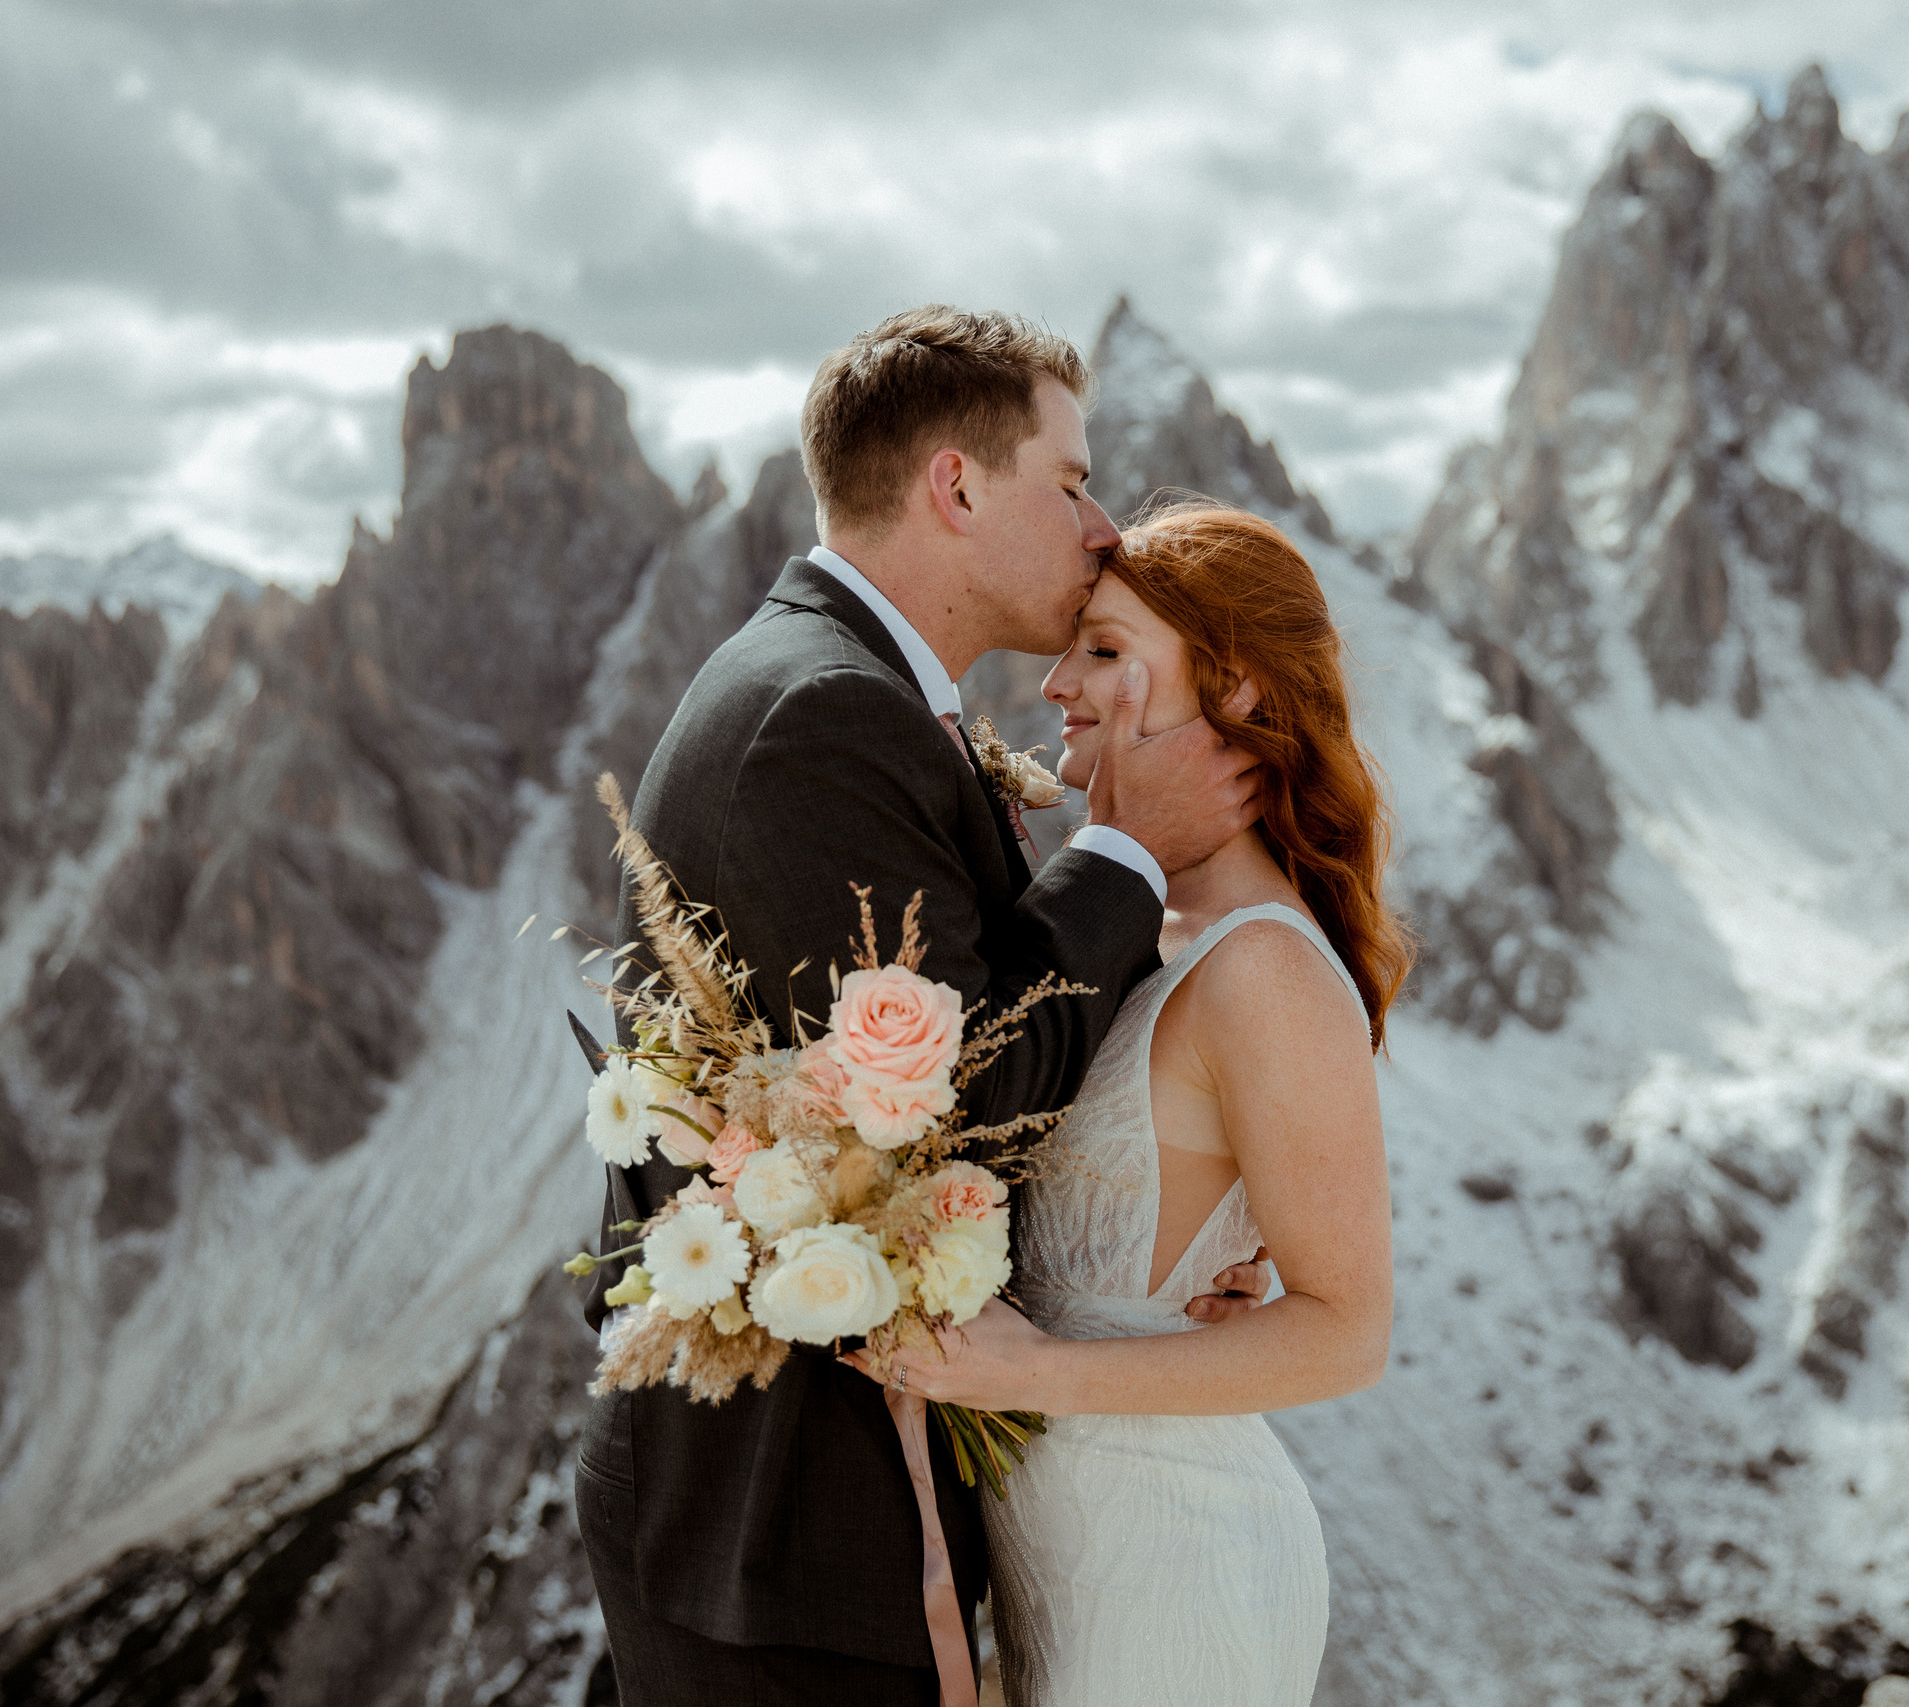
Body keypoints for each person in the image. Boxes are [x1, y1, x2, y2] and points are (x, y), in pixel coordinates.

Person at [575, 307, 1273, 1707]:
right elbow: (965, 1094)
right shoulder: (820, 716)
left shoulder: (851, 690)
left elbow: (895, 1107)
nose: (1099, 530)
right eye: (1069, 482)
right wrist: (1131, 847)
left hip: (805, 1522)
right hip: (786, 1541)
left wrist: (1145, 1262)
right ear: (956, 486)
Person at [851, 505, 1408, 1707]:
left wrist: (1033, 1370)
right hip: (1067, 1557)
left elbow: (1347, 1328)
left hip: (1178, 1563)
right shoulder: (1146, 933)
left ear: (1240, 692)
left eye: (1104, 652)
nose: (1055, 681)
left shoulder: (1263, 968)